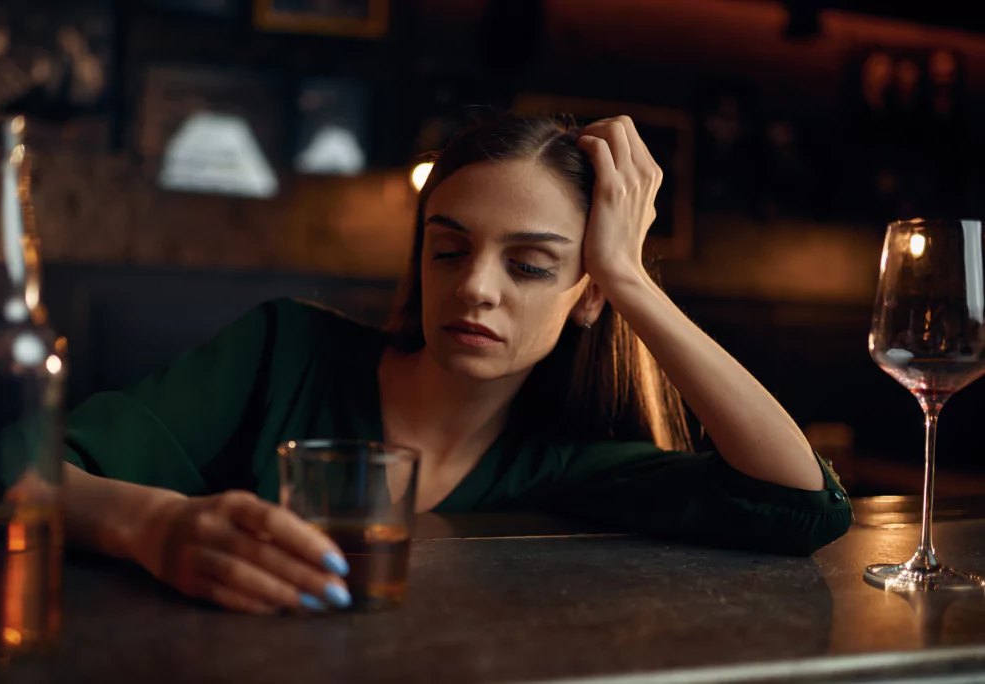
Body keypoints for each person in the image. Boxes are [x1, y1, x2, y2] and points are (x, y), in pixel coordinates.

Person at [62, 114, 852, 614]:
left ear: (587, 296)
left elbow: (802, 507)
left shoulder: (564, 464)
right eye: (449, 249)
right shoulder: (286, 351)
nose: (475, 287)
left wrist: (631, 279)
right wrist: (155, 525)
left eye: (531, 265)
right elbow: (8, 464)